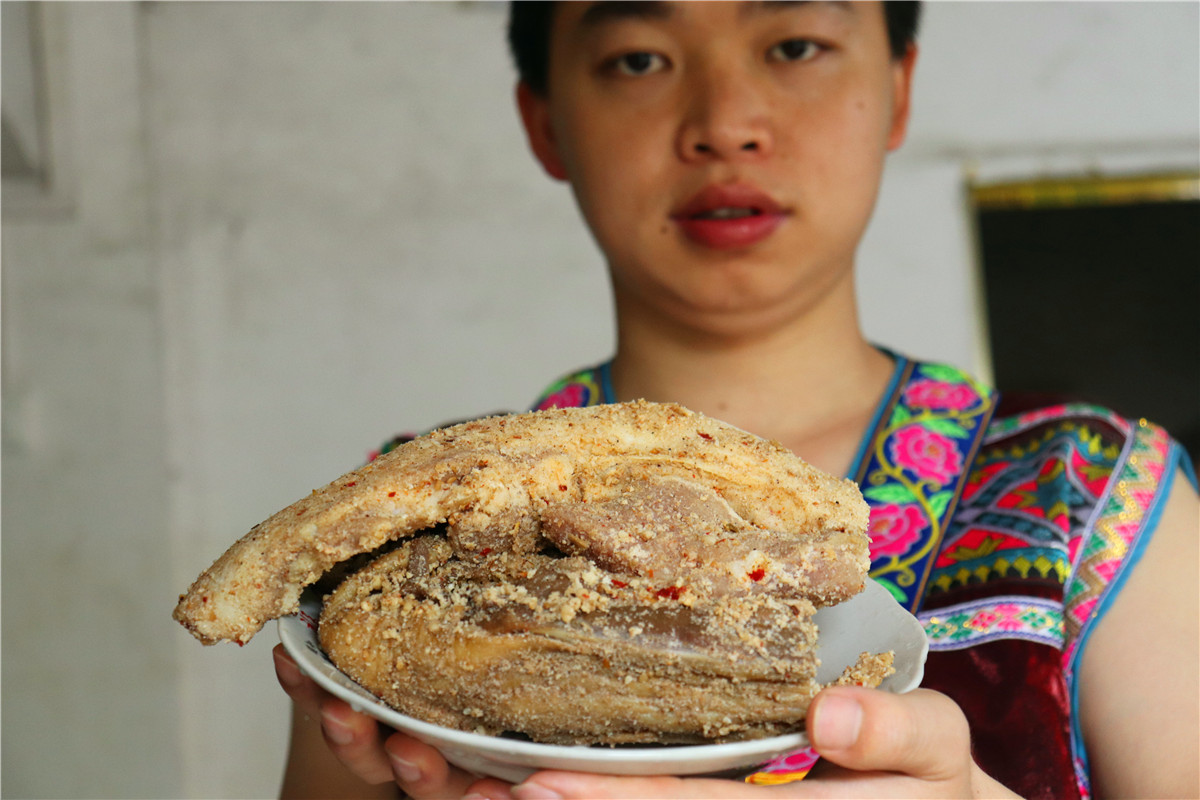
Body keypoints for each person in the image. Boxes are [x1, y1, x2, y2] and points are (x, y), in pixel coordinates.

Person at [272, 2, 1200, 798]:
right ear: (545, 121)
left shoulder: (1094, 492)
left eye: (793, 45)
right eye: (639, 59)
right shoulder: (401, 525)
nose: (725, 121)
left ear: (899, 88)